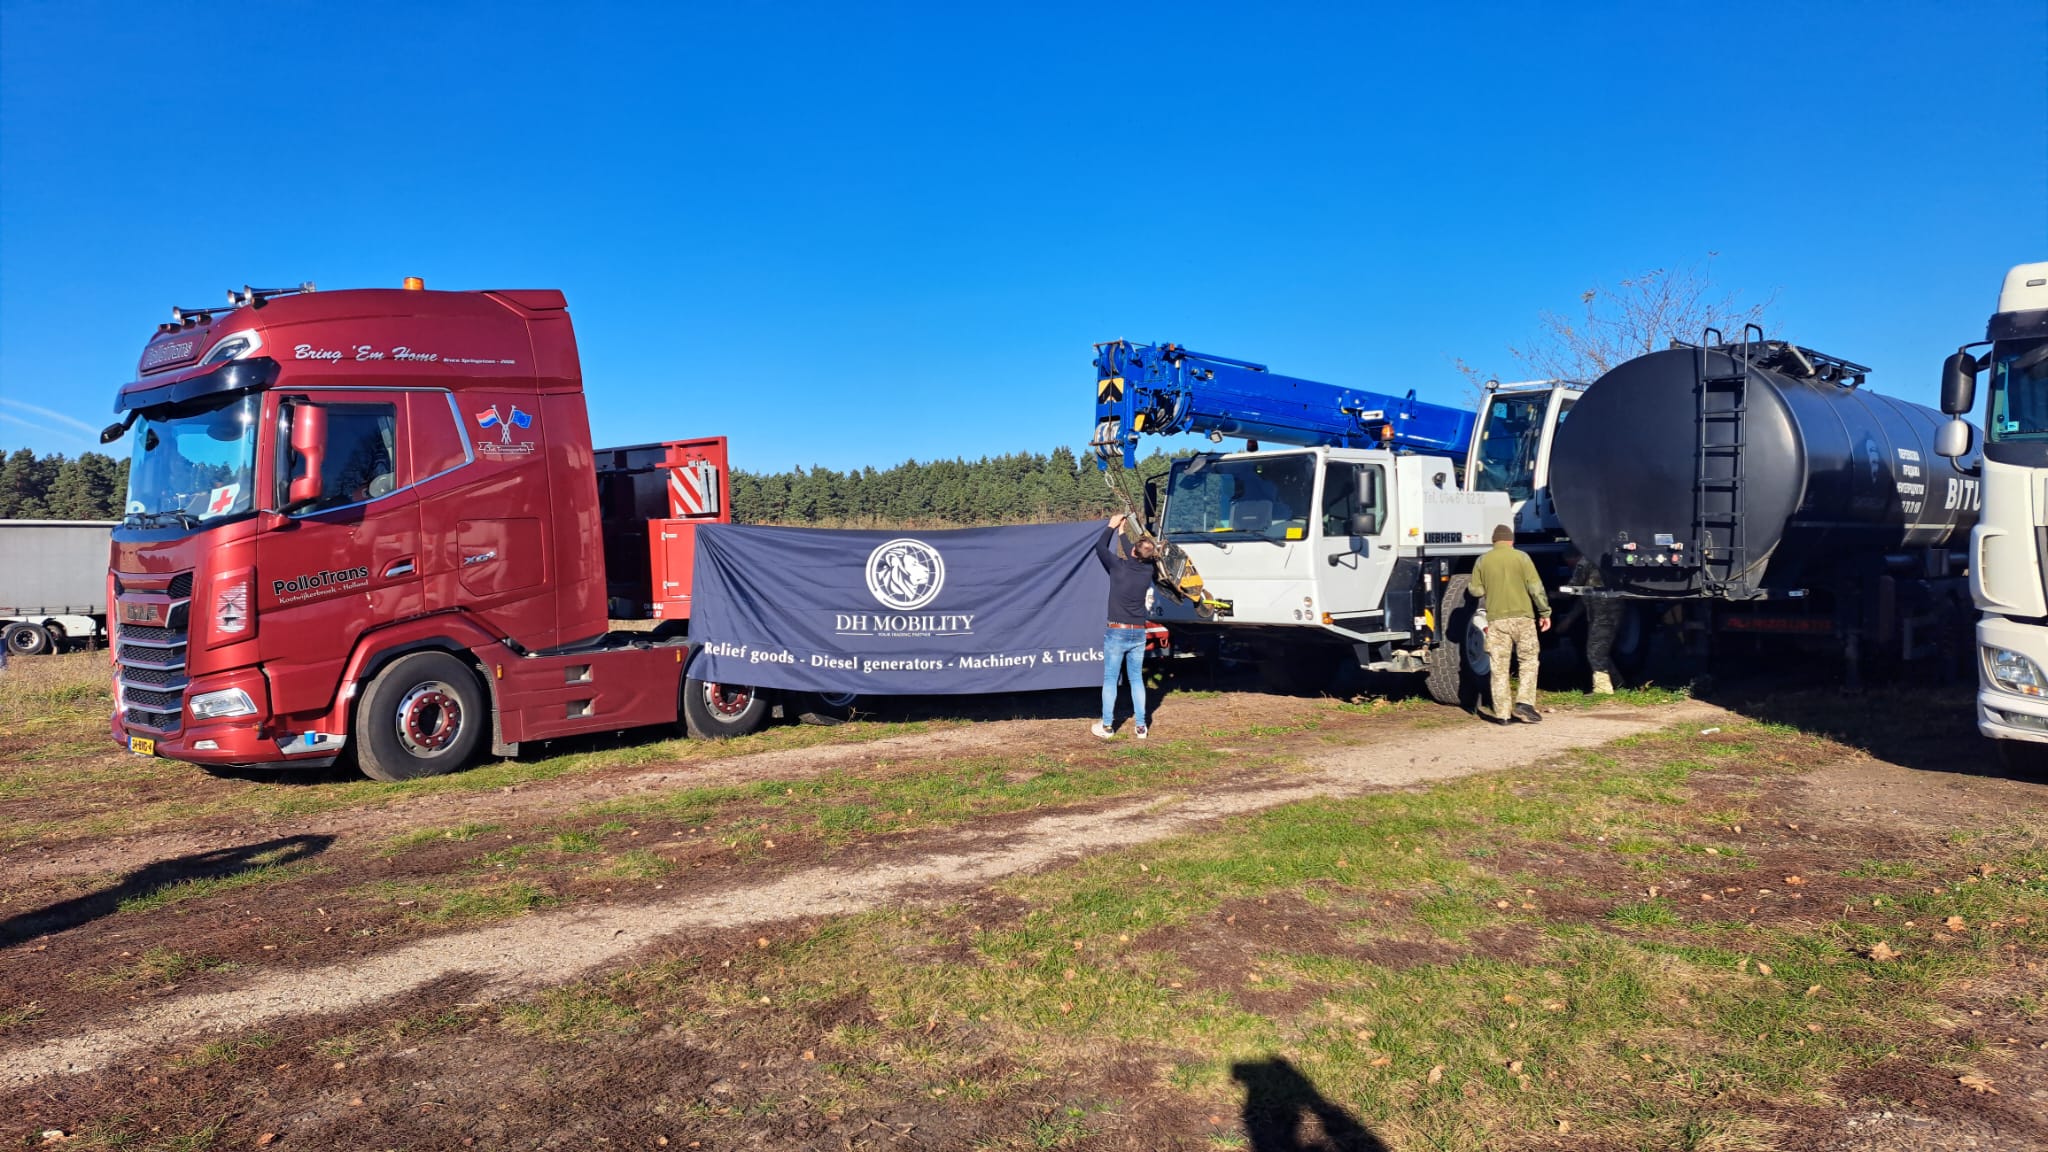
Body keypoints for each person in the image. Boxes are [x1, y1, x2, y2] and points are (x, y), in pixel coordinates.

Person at [1468, 522, 1550, 723]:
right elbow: (1535, 588)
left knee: (1499, 666)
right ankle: (1524, 702)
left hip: (1497, 620)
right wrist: (1544, 612)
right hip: (1523, 619)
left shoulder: (1482, 560)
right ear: (1511, 541)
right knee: (1528, 660)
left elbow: (1475, 590)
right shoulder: (1522, 557)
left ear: (1494, 541)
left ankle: (1503, 715)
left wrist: (1489, 587)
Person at [1094, 513, 1158, 740]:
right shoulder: (1148, 570)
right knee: (1136, 680)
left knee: (1111, 679)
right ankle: (1141, 727)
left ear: (1133, 553)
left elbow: (1100, 548)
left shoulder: (1118, 566)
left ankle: (1107, 726)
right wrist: (1122, 532)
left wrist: (1111, 526)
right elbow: (1138, 554)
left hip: (1117, 631)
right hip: (1138, 631)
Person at [1569, 551, 1622, 695]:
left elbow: (1575, 583)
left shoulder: (1586, 560)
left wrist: (1557, 593)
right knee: (1600, 650)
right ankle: (1618, 683)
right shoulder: (1599, 559)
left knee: (1595, 650)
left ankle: (1603, 688)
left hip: (1604, 613)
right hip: (1606, 612)